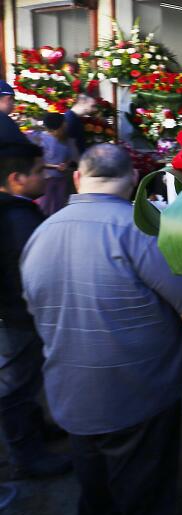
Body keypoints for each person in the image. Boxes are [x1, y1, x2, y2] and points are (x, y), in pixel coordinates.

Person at [20, 143, 182, 515]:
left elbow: (34, 303)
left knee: (89, 460)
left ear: (77, 178)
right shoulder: (139, 229)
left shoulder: (42, 231)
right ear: (131, 182)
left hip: (68, 384)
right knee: (144, 469)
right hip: (136, 387)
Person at [0, 141, 72, 483]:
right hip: (16, 319)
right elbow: (31, 275)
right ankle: (26, 457)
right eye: (39, 171)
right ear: (16, 179)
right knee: (14, 387)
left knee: (24, 382)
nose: (46, 176)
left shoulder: (15, 211)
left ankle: (35, 430)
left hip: (14, 315)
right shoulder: (16, 218)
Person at [32, 112, 79, 216]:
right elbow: (37, 162)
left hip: (63, 181)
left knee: (61, 208)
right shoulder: (40, 139)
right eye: (64, 125)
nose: (65, 127)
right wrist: (55, 166)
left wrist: (67, 164)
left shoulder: (68, 140)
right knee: (46, 210)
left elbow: (73, 158)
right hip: (46, 181)